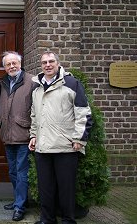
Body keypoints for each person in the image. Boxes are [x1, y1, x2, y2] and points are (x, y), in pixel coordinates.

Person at [28, 51, 92, 224]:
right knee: (46, 188)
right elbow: (34, 114)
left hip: (66, 146)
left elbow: (83, 113)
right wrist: (33, 135)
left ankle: (68, 220)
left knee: (66, 188)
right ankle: (47, 219)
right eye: (44, 62)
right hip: (43, 146)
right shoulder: (37, 87)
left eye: (51, 61)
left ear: (58, 63)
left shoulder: (71, 83)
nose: (47, 65)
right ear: (41, 65)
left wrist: (79, 139)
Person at [0, 51, 33, 221]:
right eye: (8, 64)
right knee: (13, 171)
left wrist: (33, 133)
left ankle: (20, 206)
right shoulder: (4, 83)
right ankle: (19, 200)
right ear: (4, 67)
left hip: (24, 135)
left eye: (14, 63)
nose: (12, 66)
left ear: (20, 63)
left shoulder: (31, 81)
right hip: (7, 135)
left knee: (22, 172)